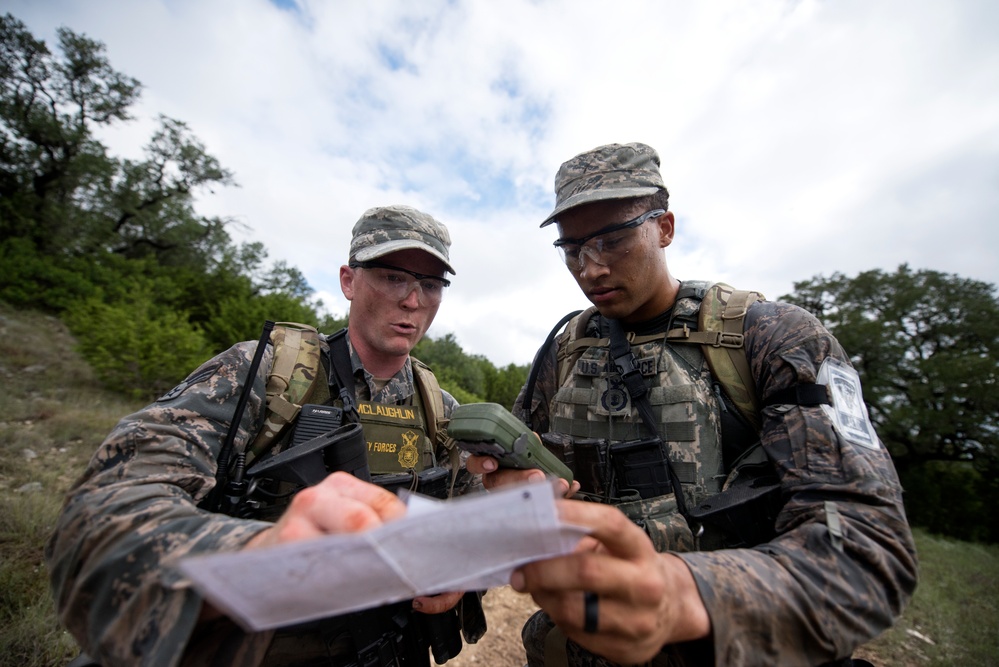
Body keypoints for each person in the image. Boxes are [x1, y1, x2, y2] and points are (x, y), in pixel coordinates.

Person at [467, 143, 918, 666]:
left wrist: (684, 594)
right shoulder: (568, 347)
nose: (590, 269)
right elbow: (514, 468)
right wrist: (506, 486)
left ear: (665, 227)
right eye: (573, 250)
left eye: (612, 240)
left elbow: (869, 550)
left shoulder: (772, 337)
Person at [46, 205, 481, 666]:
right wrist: (257, 556)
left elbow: (475, 520)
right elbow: (100, 512)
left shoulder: (439, 408)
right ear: (349, 281)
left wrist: (464, 560)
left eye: (431, 285)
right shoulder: (266, 374)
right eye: (394, 277)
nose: (413, 301)